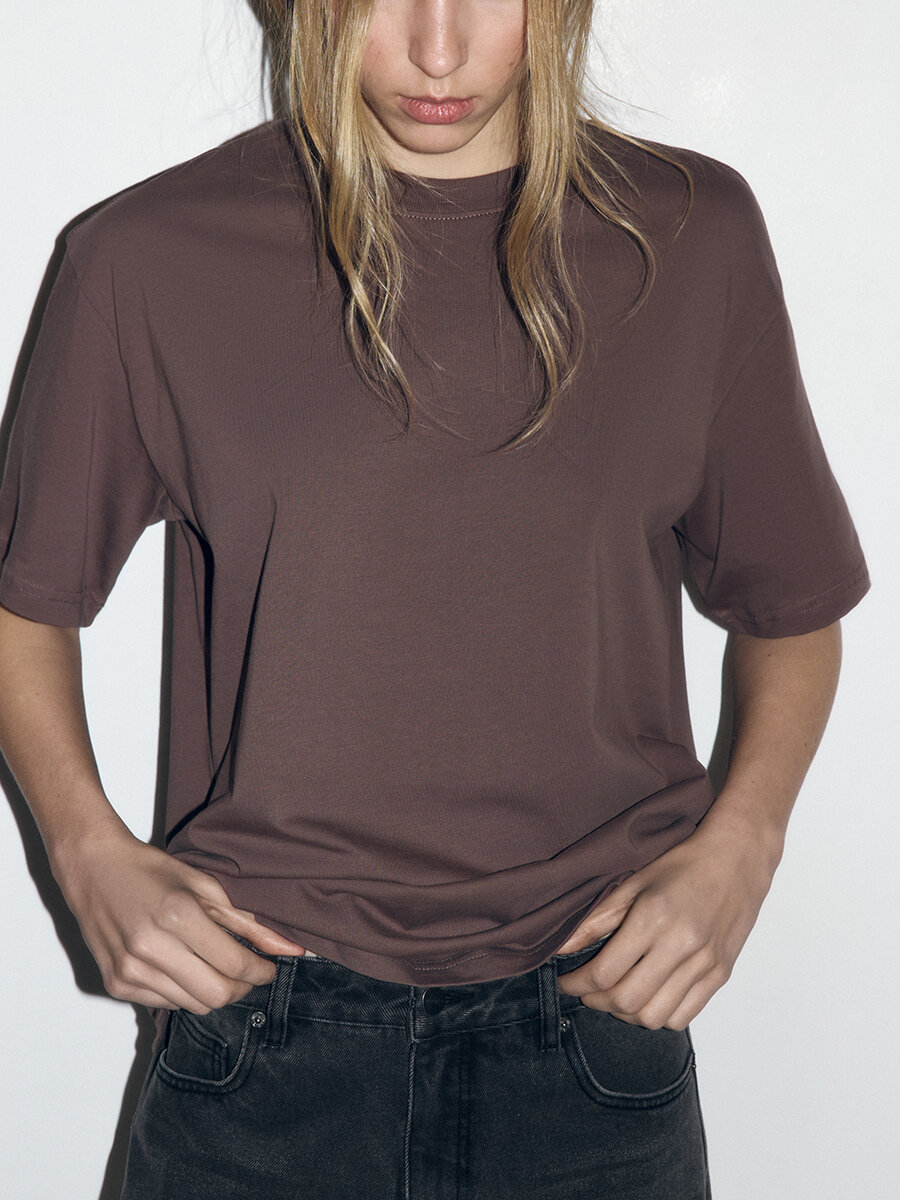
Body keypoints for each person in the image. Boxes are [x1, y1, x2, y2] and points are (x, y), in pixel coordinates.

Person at [0, 2, 869, 1197]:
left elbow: (793, 607)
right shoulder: (147, 256)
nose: (439, 49)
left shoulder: (687, 237)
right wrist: (86, 851)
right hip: (257, 1038)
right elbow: (24, 601)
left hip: (596, 1036)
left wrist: (745, 845)